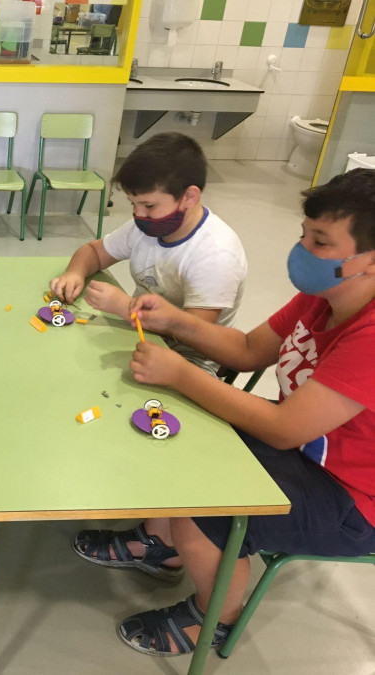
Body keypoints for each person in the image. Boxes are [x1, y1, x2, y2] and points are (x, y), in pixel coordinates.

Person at [82, 168, 375, 656]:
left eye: (320, 242)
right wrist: (174, 320)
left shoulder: (368, 337)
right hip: (308, 450)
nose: (303, 250)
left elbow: (282, 430)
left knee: (207, 502)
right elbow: (244, 350)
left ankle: (214, 617)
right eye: (303, 234)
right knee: (181, 430)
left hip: (352, 499)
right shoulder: (322, 297)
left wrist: (179, 372)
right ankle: (165, 547)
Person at [49, 132, 247, 376]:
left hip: (190, 361)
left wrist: (125, 308)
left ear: (189, 196)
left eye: (149, 206)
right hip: (142, 333)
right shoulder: (147, 227)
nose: (138, 214)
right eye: (133, 204)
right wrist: (75, 273)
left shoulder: (215, 255)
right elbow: (94, 252)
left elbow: (194, 334)